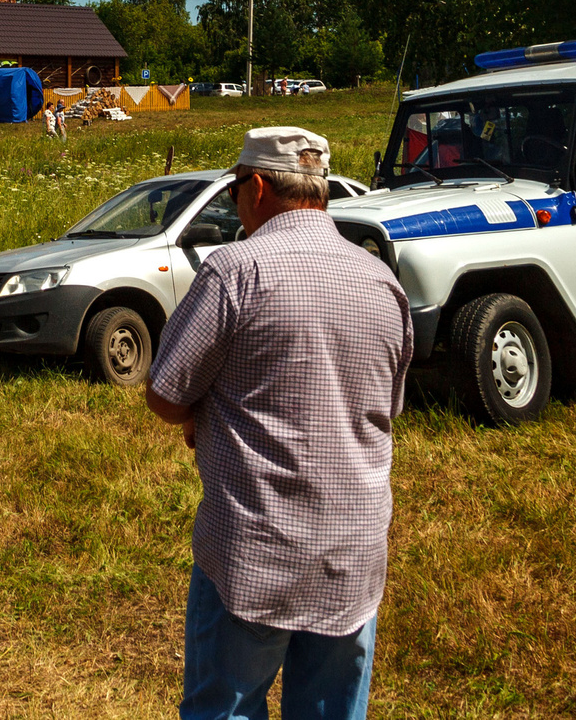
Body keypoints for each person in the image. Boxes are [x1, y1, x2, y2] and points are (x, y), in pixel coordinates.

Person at [143, 127, 410, 720]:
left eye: (236, 188)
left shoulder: (234, 270)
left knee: (225, 709)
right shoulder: (382, 282)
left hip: (255, 549)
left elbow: (164, 392)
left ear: (256, 186)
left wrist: (198, 419)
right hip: (353, 552)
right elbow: (383, 414)